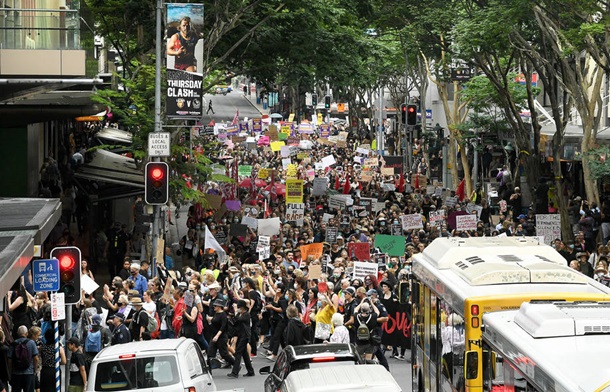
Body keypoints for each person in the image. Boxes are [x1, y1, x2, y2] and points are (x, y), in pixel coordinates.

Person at [227, 300, 255, 378]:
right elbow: (234, 322)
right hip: (240, 335)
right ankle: (250, 371)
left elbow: (238, 320)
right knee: (244, 354)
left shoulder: (246, 315)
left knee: (238, 352)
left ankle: (235, 372)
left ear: (243, 308)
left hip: (245, 336)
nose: (238, 308)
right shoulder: (239, 314)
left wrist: (235, 312)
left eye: (239, 307)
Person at [207, 299, 235, 371]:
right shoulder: (216, 313)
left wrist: (217, 336)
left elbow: (223, 327)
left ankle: (235, 364)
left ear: (219, 306)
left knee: (224, 354)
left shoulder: (223, 315)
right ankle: (209, 370)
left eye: (215, 305)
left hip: (221, 337)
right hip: (214, 335)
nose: (214, 307)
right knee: (210, 353)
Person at [9, 325, 38, 392]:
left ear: (17, 333)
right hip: (29, 373)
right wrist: (34, 370)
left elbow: (9, 360)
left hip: (16, 373)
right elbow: (36, 358)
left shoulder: (13, 344)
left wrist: (11, 372)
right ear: (27, 333)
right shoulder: (31, 343)